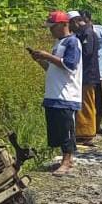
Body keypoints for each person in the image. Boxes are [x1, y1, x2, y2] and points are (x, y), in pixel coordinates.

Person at [29, 11, 82, 175]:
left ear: (64, 25)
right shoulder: (58, 43)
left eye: (53, 27)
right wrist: (40, 60)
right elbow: (52, 68)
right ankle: (64, 159)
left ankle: (67, 161)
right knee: (57, 130)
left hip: (66, 95)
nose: (50, 30)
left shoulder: (72, 42)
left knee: (66, 129)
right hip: (53, 94)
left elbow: (70, 65)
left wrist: (48, 56)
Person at [68, 10, 99, 147]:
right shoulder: (82, 33)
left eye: (70, 25)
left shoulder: (87, 33)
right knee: (82, 103)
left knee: (87, 104)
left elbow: (87, 52)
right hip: (83, 74)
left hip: (88, 74)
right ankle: (82, 132)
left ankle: (87, 133)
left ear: (75, 21)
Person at [81, 11, 102, 136]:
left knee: (101, 103)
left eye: (85, 20)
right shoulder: (80, 34)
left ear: (89, 19)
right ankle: (89, 129)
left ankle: (97, 127)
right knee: (89, 103)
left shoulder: (101, 30)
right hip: (89, 73)